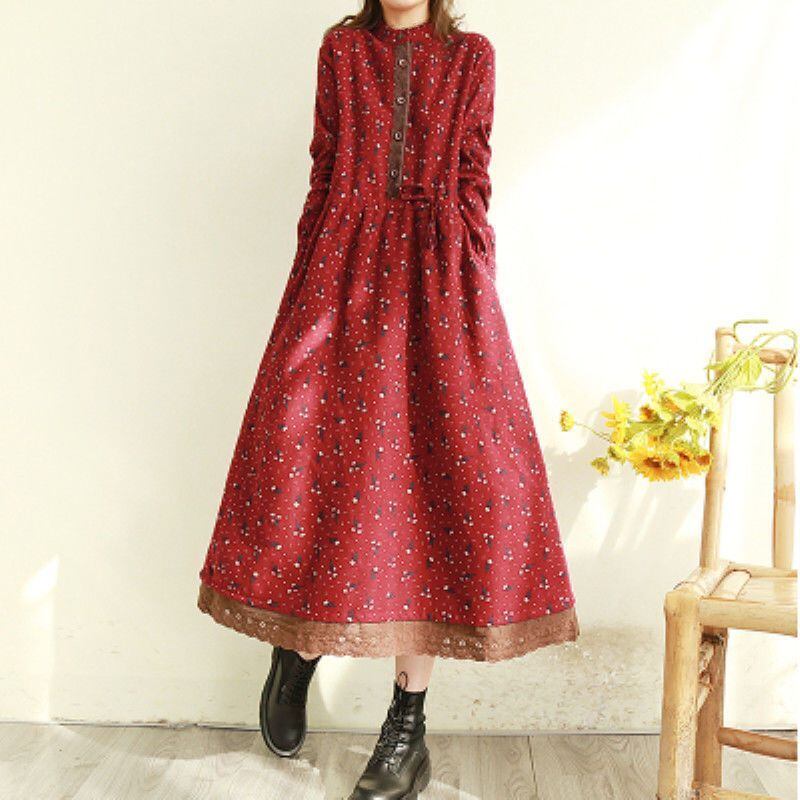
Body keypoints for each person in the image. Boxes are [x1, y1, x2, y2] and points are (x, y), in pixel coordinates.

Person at [197, 1, 579, 797]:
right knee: (314, 467)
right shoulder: (342, 52)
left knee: (441, 494)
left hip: (441, 279)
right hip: (342, 272)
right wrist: (309, 286)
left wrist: (470, 287)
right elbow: (325, 168)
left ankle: (407, 727)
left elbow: (473, 176)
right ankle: (299, 647)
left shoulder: (472, 56)